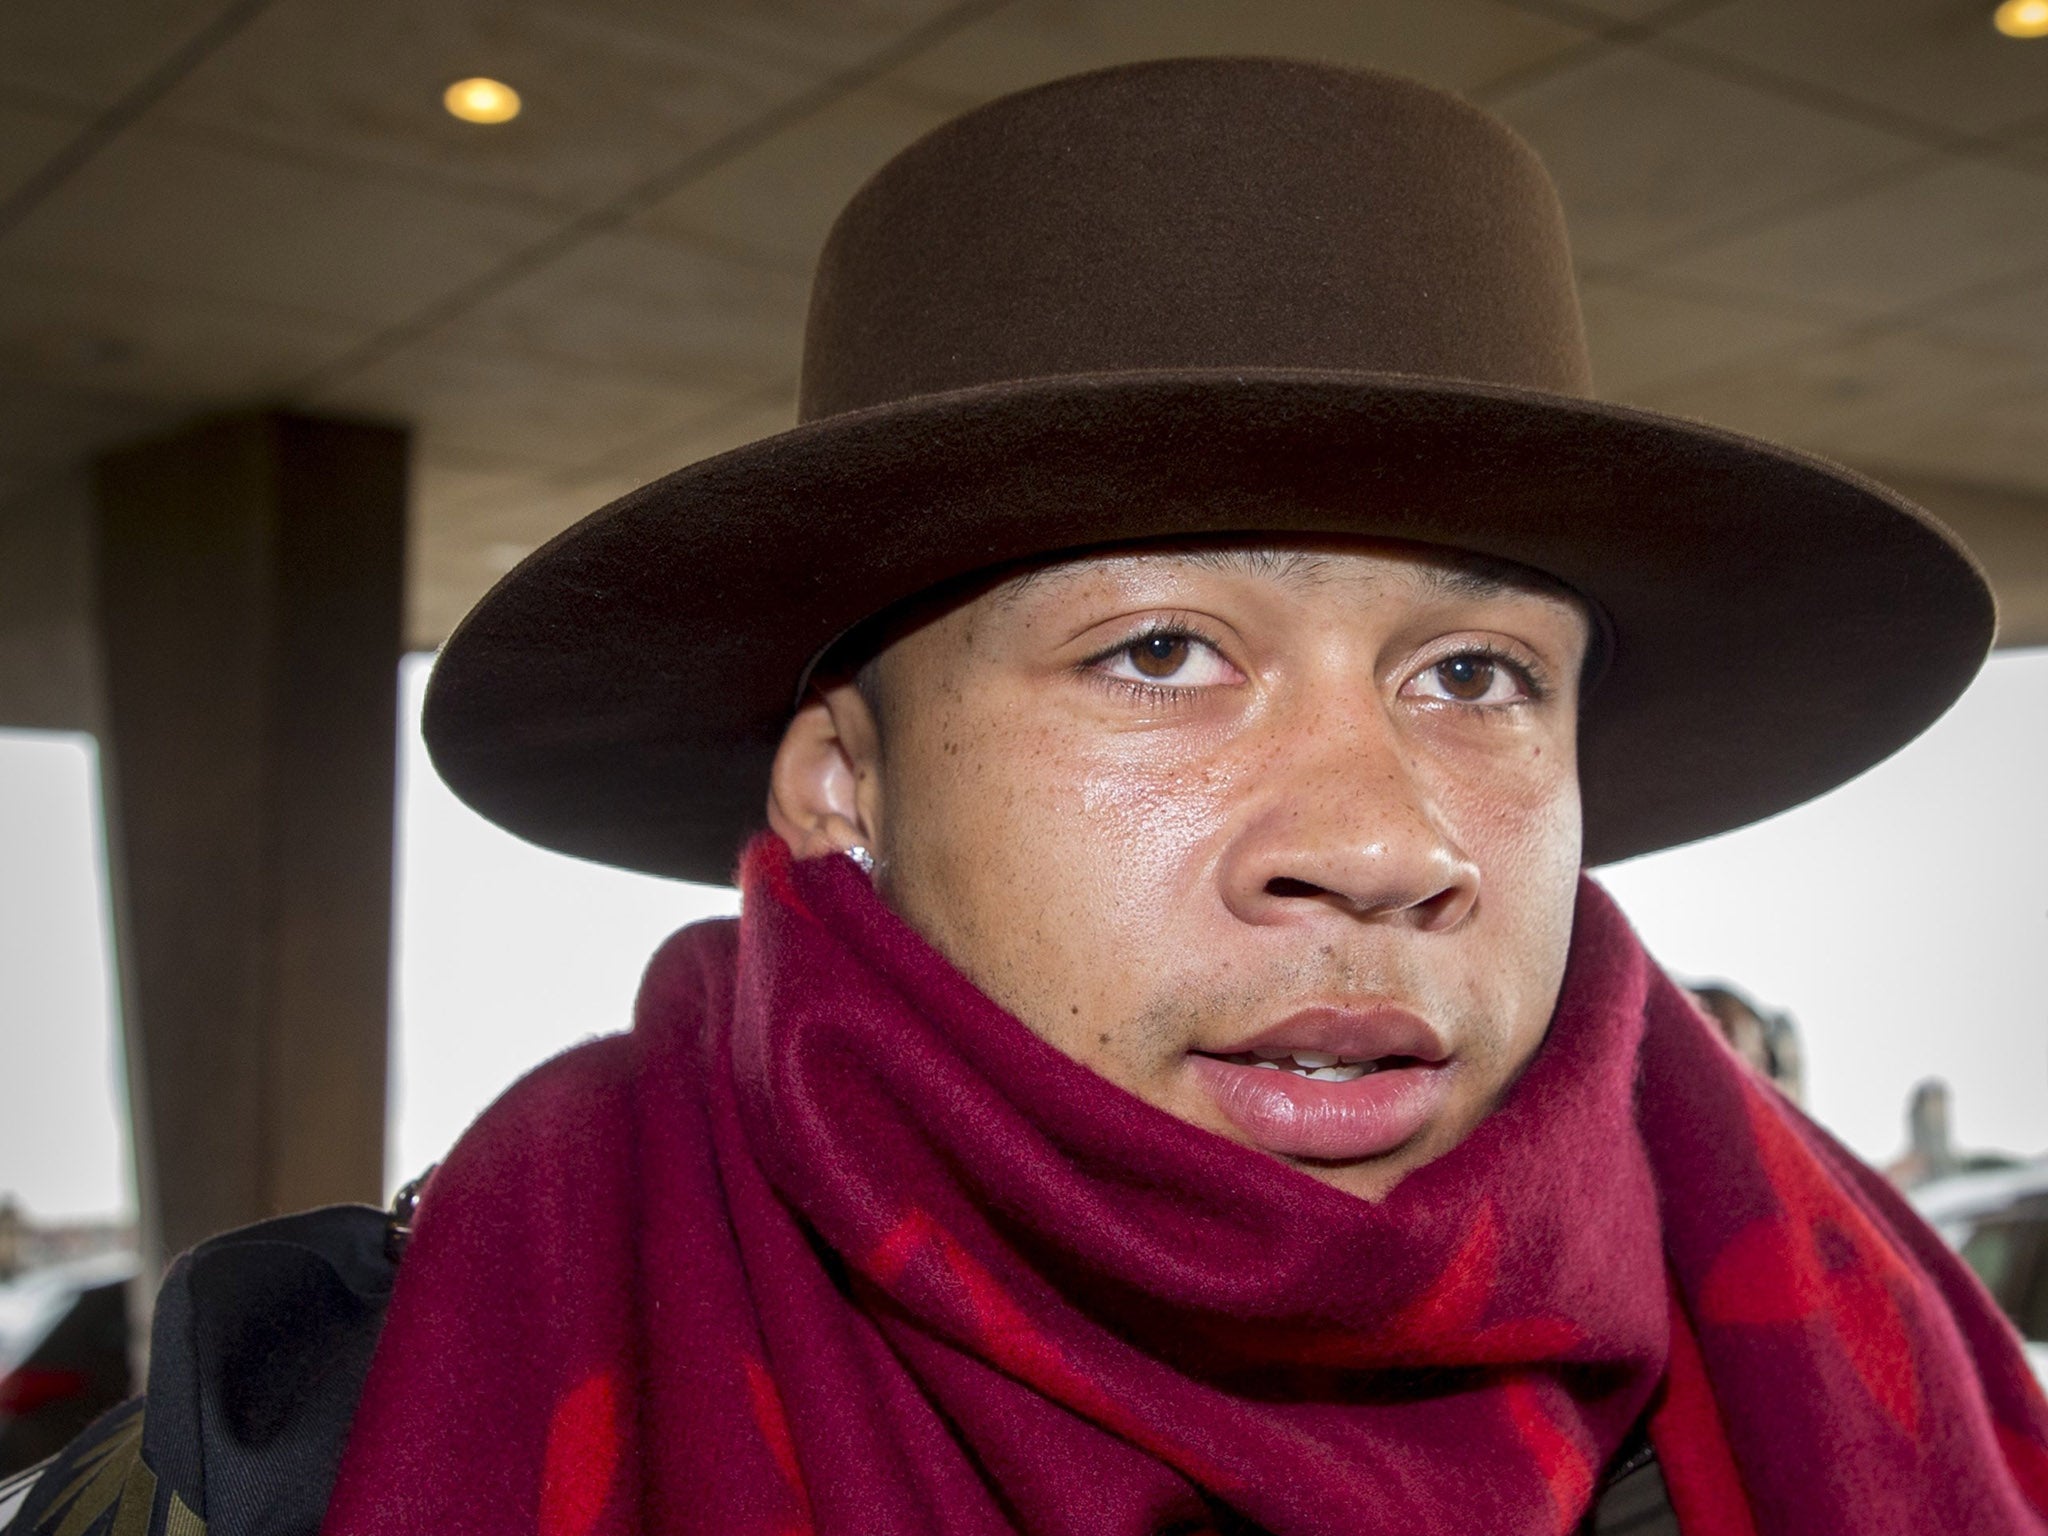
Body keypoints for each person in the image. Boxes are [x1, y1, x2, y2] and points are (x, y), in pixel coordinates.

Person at [9, 55, 2047, 1536]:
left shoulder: (1860, 1383)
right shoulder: (326, 1426)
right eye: (1160, 651)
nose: (1386, 839)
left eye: (1473, 676)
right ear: (840, 783)